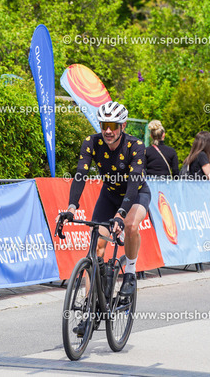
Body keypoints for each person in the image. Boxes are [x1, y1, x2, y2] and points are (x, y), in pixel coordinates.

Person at [64, 101, 149, 302]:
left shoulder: (135, 146)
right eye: (104, 125)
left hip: (136, 194)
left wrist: (121, 214)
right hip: (109, 194)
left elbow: (134, 182)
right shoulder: (91, 142)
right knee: (96, 248)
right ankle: (90, 303)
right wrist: (71, 207)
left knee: (130, 225)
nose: (108, 131)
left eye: (113, 126)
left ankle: (130, 272)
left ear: (123, 126)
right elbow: (80, 174)